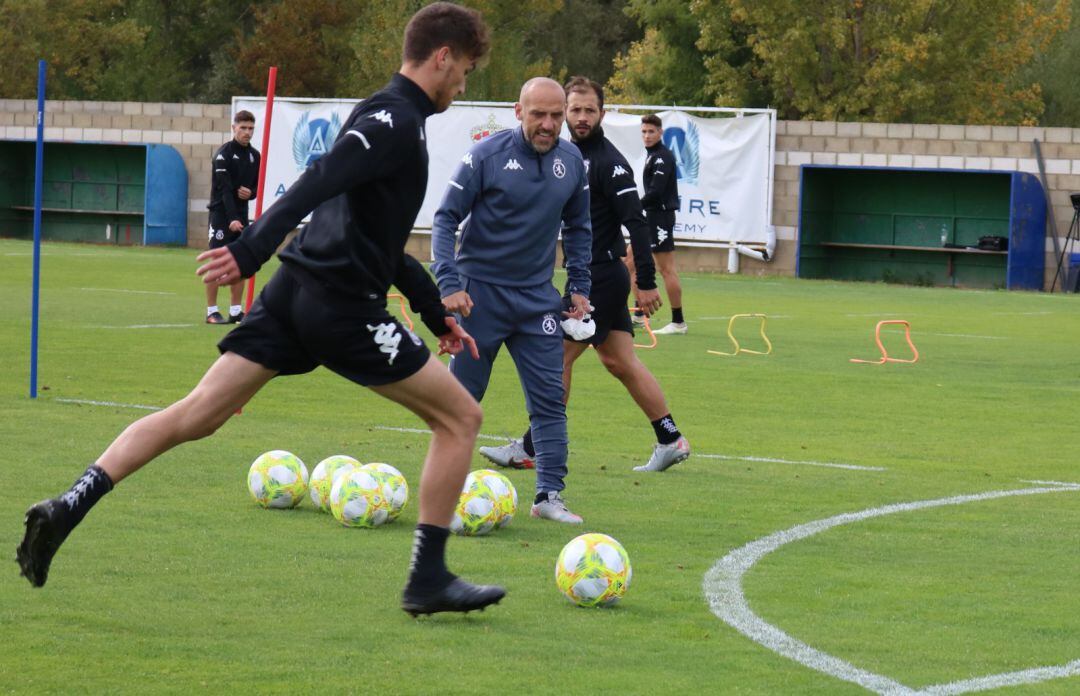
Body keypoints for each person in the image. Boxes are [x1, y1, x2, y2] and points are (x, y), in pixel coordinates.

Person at [17, 2, 505, 618]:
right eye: (463, 71)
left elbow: (379, 242)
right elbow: (318, 179)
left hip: (294, 295)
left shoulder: (387, 116)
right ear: (442, 57)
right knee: (461, 418)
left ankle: (69, 504)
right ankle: (427, 578)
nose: (462, 86)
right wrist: (247, 248)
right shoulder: (393, 120)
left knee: (196, 414)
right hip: (341, 309)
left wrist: (437, 316)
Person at [479, 77, 690, 474]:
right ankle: (670, 437)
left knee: (554, 355)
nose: (580, 117)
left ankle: (532, 447)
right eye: (573, 110)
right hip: (594, 274)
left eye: (588, 110)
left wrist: (645, 280)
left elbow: (637, 223)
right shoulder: (567, 156)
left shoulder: (609, 163)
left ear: (602, 114)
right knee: (620, 361)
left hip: (599, 280)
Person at [431, 77, 592, 525]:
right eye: (538, 114)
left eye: (556, 115)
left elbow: (579, 227)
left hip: (538, 302)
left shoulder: (571, 160)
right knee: (461, 402)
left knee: (549, 401)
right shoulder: (486, 156)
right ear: (517, 111)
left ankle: (549, 496)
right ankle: (443, 493)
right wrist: (448, 283)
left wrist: (578, 285)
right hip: (478, 299)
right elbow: (444, 220)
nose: (548, 124)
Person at [628, 113, 686, 335]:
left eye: (651, 131)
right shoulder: (652, 156)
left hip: (659, 218)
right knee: (628, 263)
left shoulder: (662, 157)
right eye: (643, 131)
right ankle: (639, 315)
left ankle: (678, 322)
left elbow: (656, 192)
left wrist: (631, 207)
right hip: (650, 217)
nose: (647, 135)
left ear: (660, 133)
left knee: (666, 269)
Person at [206, 110, 260, 325]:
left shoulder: (255, 156)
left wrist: (252, 193)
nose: (247, 132)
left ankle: (236, 311)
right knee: (217, 262)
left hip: (241, 215)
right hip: (221, 214)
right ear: (233, 128)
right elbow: (225, 190)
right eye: (243, 128)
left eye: (250, 128)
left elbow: (255, 187)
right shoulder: (223, 155)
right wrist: (231, 219)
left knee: (241, 261)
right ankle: (211, 311)